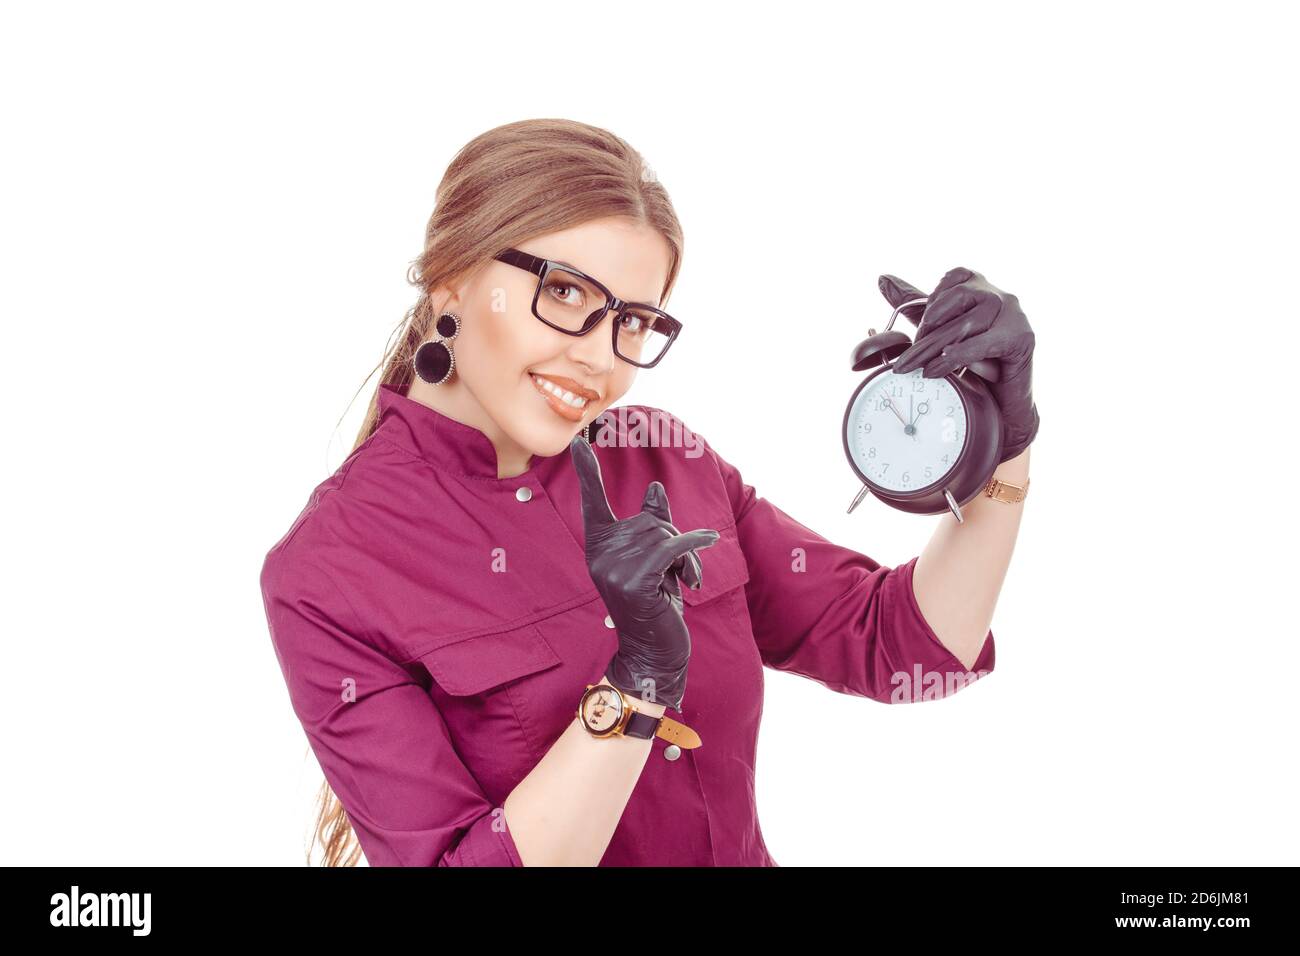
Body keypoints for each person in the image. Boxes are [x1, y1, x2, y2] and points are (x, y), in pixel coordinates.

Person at [258, 117, 1036, 867]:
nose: (600, 358)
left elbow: (900, 644)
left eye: (632, 320)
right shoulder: (329, 572)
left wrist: (1002, 439)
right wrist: (634, 686)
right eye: (564, 294)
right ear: (452, 280)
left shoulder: (660, 455)